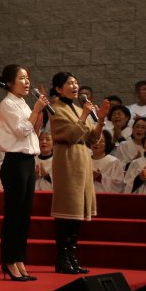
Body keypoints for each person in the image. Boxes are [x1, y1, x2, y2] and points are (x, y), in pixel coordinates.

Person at [48, 72, 109, 275]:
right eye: (69, 83)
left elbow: (92, 138)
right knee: (67, 210)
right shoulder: (56, 108)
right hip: (67, 159)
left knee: (77, 212)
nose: (75, 86)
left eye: (76, 82)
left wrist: (100, 121)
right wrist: (84, 115)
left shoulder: (77, 107)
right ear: (58, 88)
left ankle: (72, 256)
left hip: (82, 159)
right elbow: (70, 135)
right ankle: (62, 258)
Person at [0, 64, 48, 281]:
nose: (27, 82)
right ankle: (8, 261)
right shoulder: (7, 104)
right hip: (14, 163)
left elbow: (31, 133)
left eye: (28, 78)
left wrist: (38, 117)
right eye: (22, 78)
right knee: (14, 215)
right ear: (9, 83)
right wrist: (35, 111)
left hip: (27, 161)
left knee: (24, 215)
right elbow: (20, 131)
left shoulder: (23, 103)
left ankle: (19, 259)